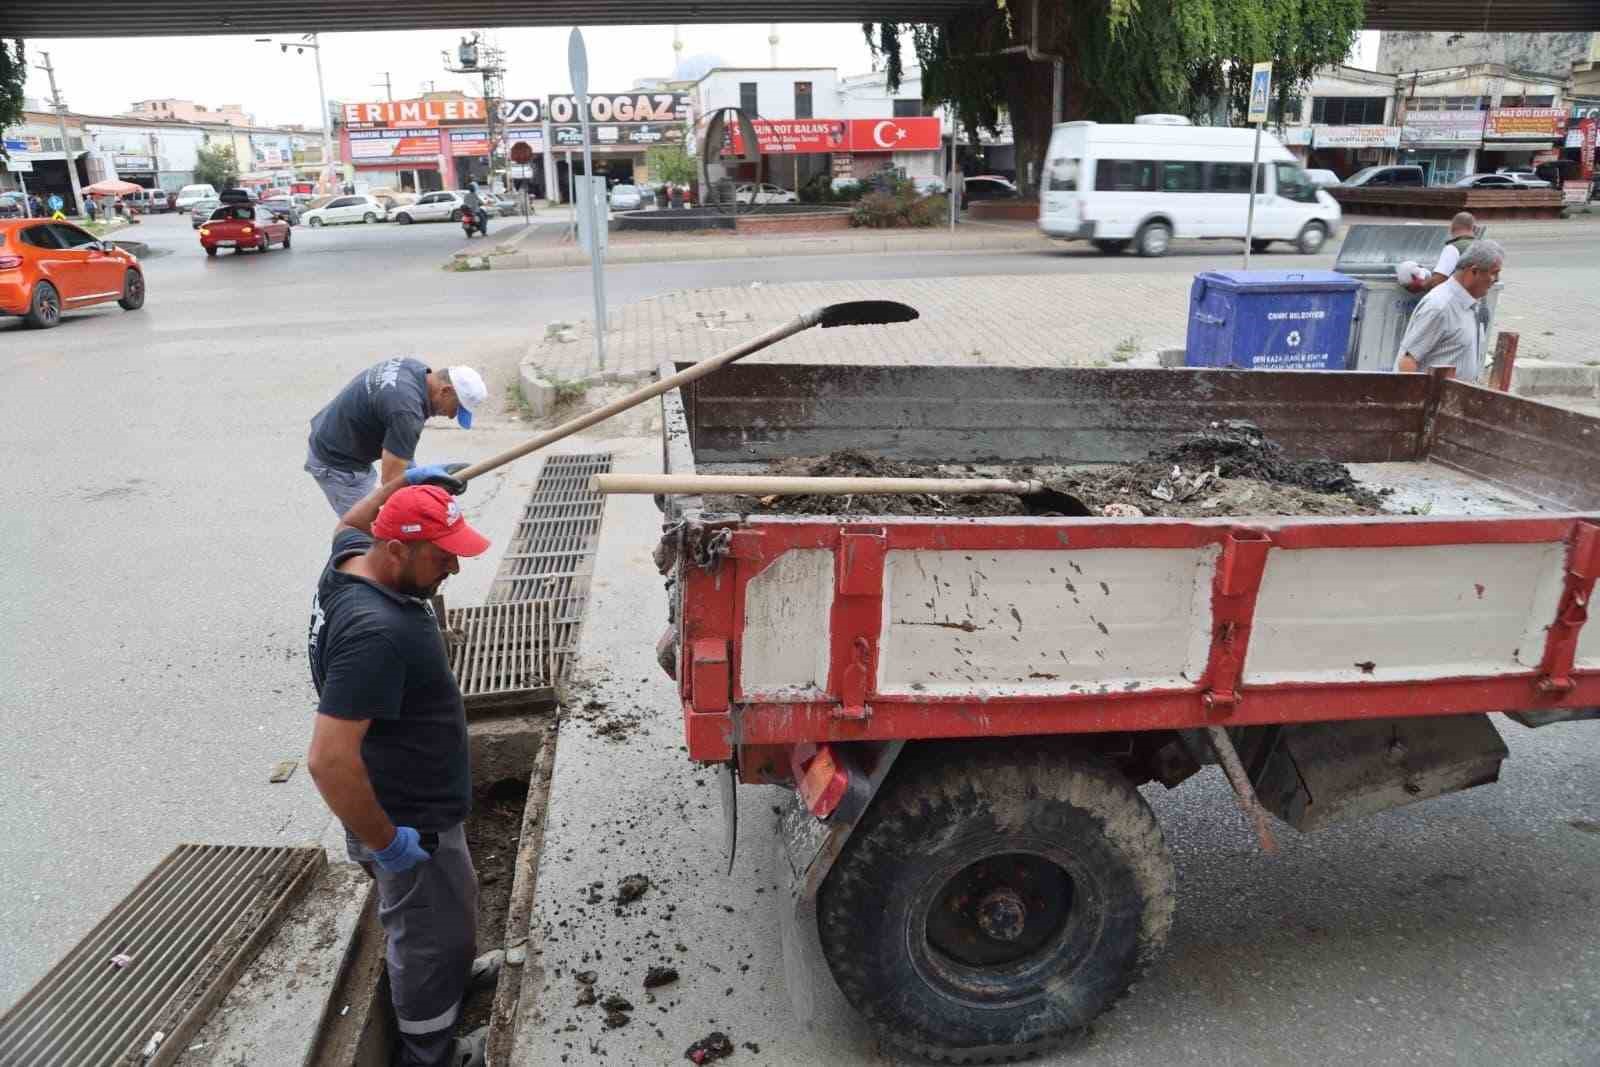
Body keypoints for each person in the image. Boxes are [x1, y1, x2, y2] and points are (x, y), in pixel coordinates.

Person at [307, 477, 499, 1067]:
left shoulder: (349, 560)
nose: (453, 570)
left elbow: (347, 525)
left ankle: (455, 973)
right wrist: (388, 843)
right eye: (443, 557)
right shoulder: (374, 633)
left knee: (453, 909)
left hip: (430, 805)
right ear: (398, 549)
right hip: (406, 820)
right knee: (423, 939)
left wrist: (400, 486)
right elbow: (327, 759)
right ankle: (430, 1051)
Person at [305, 359, 488, 517]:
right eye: (456, 408)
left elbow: (400, 451)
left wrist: (430, 479)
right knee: (375, 539)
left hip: (338, 433)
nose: (451, 416)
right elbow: (391, 483)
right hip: (337, 463)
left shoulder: (414, 370)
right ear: (446, 391)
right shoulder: (406, 411)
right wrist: (431, 490)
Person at [1395, 239, 1504, 381]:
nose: (1496, 279)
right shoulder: (1440, 307)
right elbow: (1407, 363)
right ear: (1474, 271)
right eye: (1494, 273)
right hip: (1435, 401)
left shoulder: (1469, 303)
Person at [1404, 212, 1477, 294]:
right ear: (1473, 228)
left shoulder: (1453, 248)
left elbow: (1438, 280)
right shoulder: (1481, 246)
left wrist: (1419, 285)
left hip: (1456, 300)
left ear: (1452, 228)